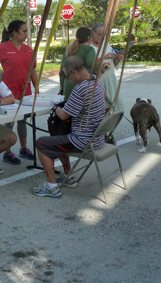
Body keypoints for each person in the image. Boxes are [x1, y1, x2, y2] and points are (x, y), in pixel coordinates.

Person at [33, 56, 106, 198]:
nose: (68, 80)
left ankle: (51, 187)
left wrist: (56, 107)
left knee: (42, 143)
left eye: (67, 76)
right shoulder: (96, 80)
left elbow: (64, 115)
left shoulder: (81, 88)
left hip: (83, 141)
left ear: (73, 72)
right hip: (97, 138)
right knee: (59, 136)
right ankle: (68, 176)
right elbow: (104, 95)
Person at [0, 20, 39, 163]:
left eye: (27, 31)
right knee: (9, 121)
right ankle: (7, 152)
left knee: (23, 120)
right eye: (24, 31)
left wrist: (37, 88)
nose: (26, 34)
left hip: (25, 91)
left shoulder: (28, 49)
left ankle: (23, 149)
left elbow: (32, 70)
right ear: (15, 33)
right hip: (8, 93)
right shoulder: (4, 47)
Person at [91, 23, 124, 115]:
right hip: (99, 81)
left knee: (116, 106)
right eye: (99, 34)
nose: (102, 37)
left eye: (104, 35)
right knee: (103, 107)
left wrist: (117, 59)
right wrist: (104, 57)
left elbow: (113, 63)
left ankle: (107, 126)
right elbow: (90, 63)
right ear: (93, 33)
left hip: (111, 80)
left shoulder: (106, 44)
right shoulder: (89, 47)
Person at [60, 27, 96, 101]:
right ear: (89, 38)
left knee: (69, 109)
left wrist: (62, 86)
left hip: (67, 84)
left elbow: (61, 71)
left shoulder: (69, 49)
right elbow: (92, 65)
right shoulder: (89, 49)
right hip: (83, 85)